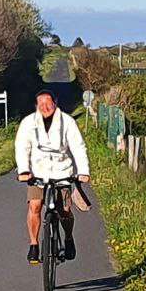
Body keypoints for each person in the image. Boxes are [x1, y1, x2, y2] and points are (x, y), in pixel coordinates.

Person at [15, 89, 90, 264]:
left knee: (65, 211)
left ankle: (68, 237)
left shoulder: (67, 122)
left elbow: (78, 147)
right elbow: (22, 147)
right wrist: (24, 170)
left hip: (62, 172)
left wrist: (83, 171)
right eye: (41, 103)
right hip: (38, 173)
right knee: (35, 205)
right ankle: (34, 244)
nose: (45, 106)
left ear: (55, 104)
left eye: (48, 103)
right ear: (36, 106)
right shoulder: (28, 123)